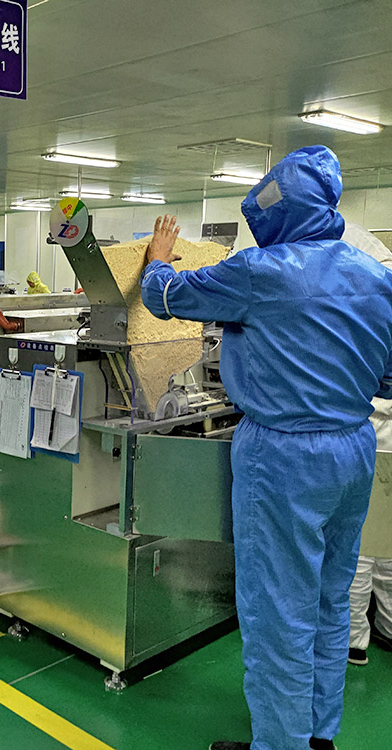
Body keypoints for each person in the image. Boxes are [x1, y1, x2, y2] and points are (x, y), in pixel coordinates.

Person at [140, 145, 392, 750]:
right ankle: (317, 734)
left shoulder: (261, 270)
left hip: (283, 458)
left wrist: (157, 261)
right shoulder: (377, 277)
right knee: (330, 598)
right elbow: (387, 379)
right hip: (354, 451)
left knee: (278, 610)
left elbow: (164, 298)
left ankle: (280, 745)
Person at [341, 223, 392, 667]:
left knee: (358, 542)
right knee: (388, 538)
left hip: (370, 424)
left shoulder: (359, 286)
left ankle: (353, 639)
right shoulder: (382, 277)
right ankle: (390, 628)